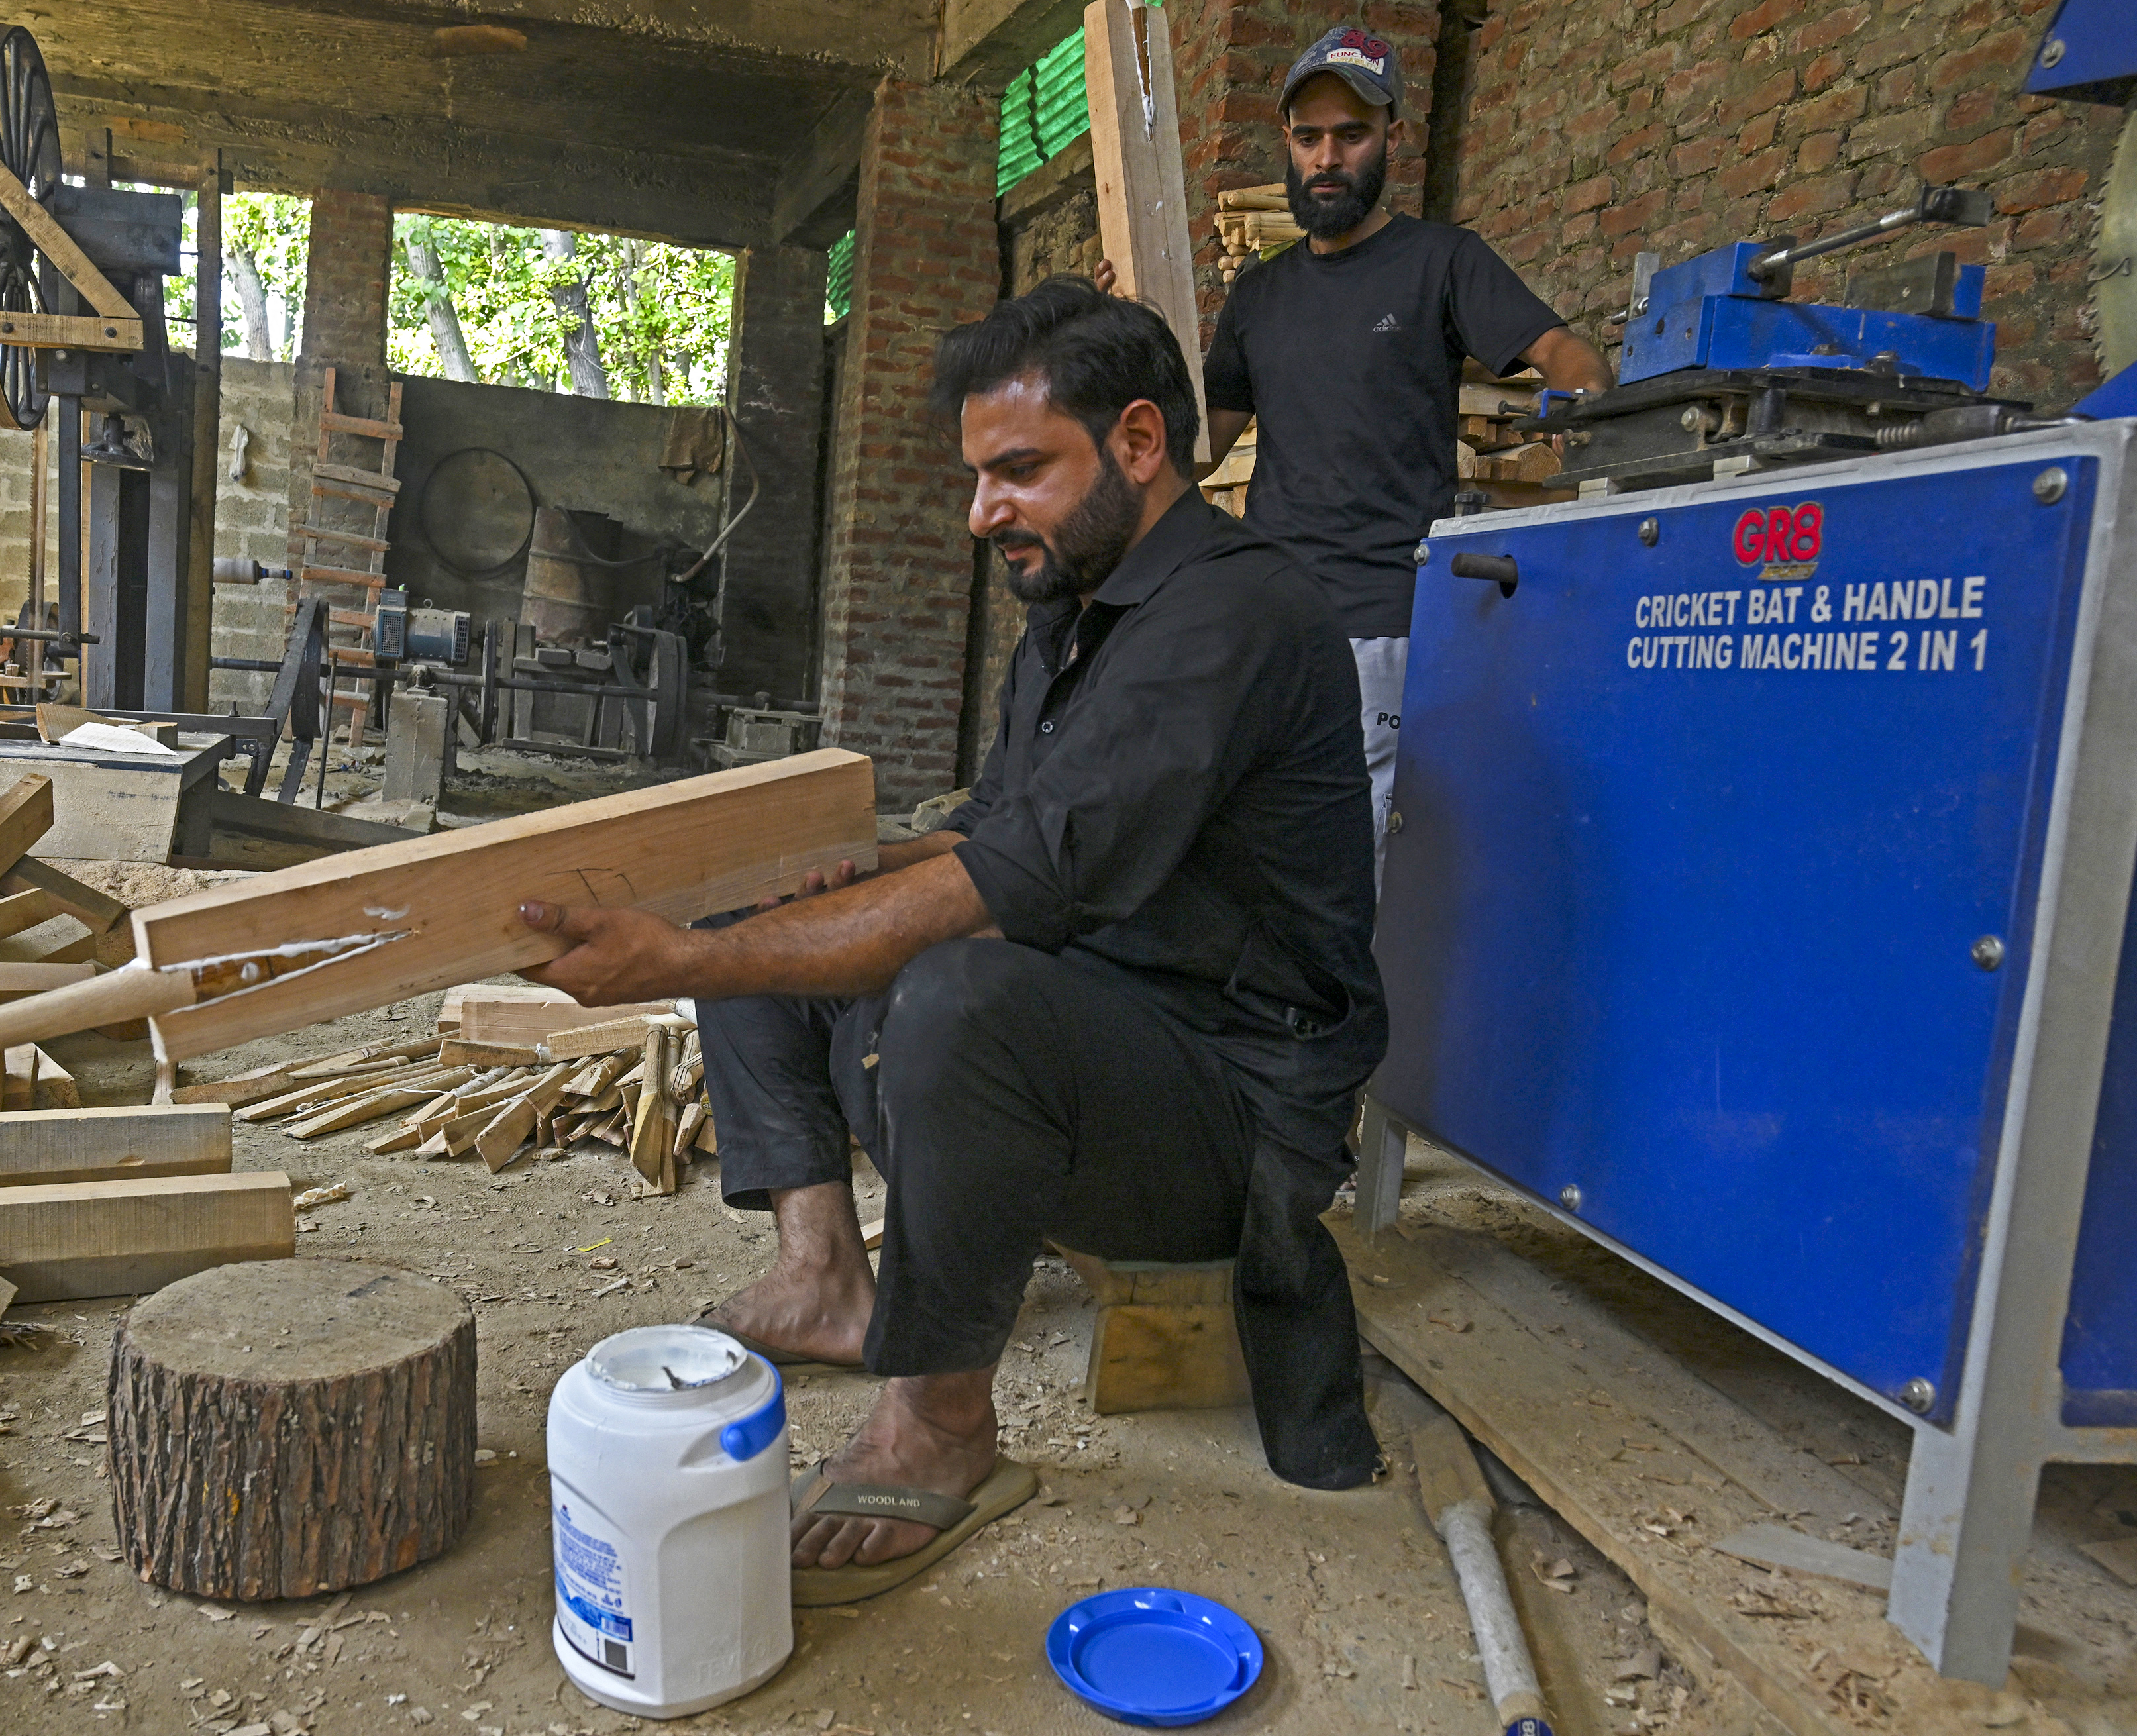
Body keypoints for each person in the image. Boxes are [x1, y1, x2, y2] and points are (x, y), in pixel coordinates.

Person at [514, 276, 1388, 1604]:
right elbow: (998, 827)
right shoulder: (1076, 612)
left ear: (1141, 445)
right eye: (979, 476)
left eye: (1019, 472)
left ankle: (940, 1421)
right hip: (1100, 1026)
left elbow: (1017, 879)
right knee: (768, 910)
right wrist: (821, 875)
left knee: (958, 998)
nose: (983, 513)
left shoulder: (1236, 616)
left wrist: (678, 966)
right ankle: (822, 1278)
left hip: (1232, 1106)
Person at [1102, 23, 1612, 882]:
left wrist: (1588, 398)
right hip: (1265, 624)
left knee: (1346, 871)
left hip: (1382, 624)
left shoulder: (1440, 263)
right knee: (1238, 853)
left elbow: (1564, 355)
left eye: (1350, 136)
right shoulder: (1260, 296)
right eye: (1309, 139)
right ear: (1289, 148)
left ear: (1391, 140)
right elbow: (1188, 456)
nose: (1328, 158)